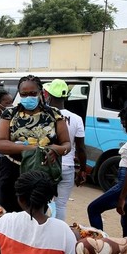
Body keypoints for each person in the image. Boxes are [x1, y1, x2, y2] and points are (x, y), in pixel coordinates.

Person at [0, 75, 71, 213]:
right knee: (9, 215)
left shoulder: (54, 115)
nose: (28, 97)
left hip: (41, 173)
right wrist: (32, 148)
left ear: (41, 92)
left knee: (36, 214)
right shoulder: (10, 114)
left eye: (33, 93)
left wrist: (56, 149)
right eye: (24, 94)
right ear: (19, 94)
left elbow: (66, 144)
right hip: (12, 170)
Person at [87, 107, 127, 238]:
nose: (122, 125)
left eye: (123, 122)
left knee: (93, 209)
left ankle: (99, 244)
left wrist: (122, 197)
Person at [43, 79, 87, 222]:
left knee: (42, 202)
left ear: (49, 96)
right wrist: (82, 169)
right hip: (67, 166)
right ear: (66, 97)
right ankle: (58, 235)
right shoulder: (77, 119)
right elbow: (80, 148)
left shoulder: (44, 116)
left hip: (47, 164)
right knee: (60, 205)